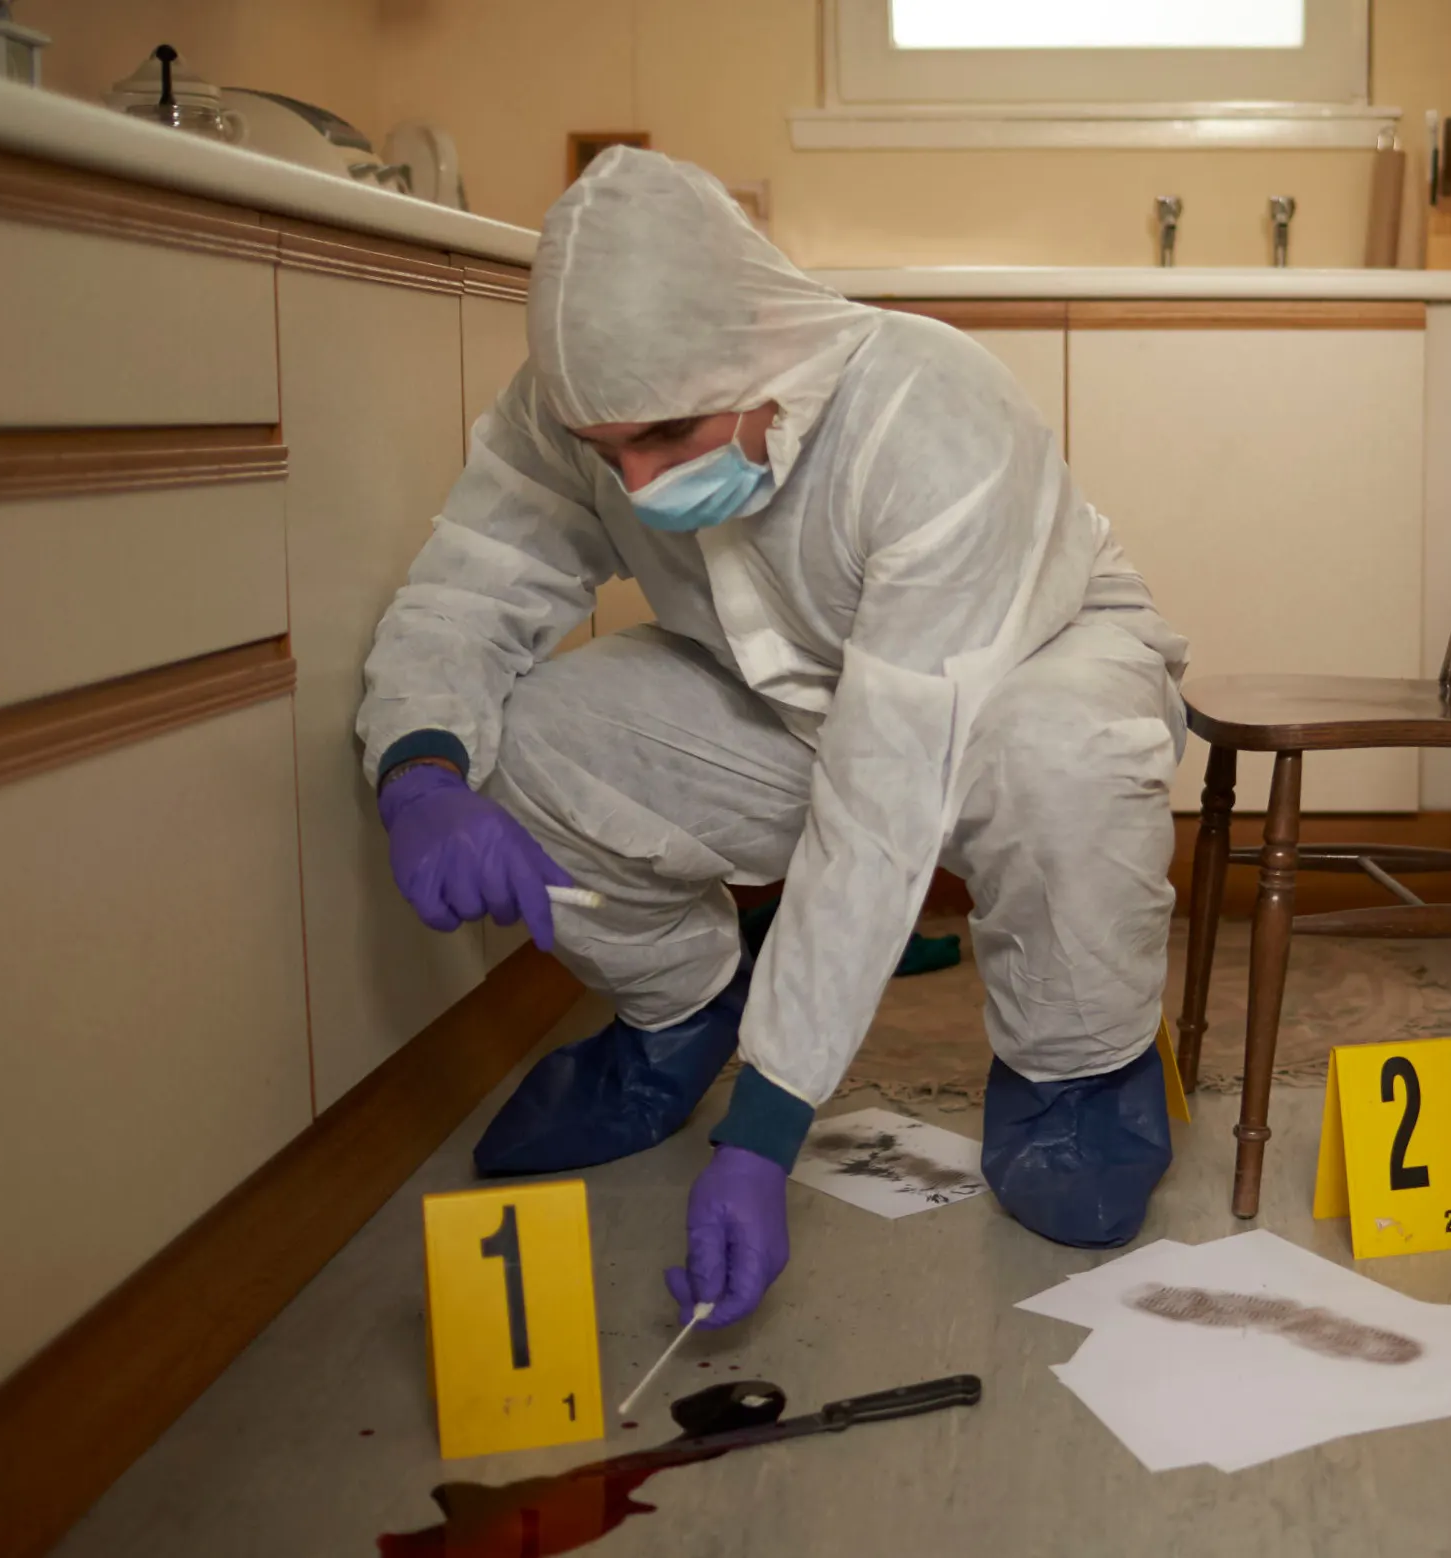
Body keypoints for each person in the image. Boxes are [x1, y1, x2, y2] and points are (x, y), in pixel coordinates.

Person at [357, 148, 1188, 1332]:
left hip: (1032, 667)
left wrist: (768, 1126)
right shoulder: (571, 411)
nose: (638, 482)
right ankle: (679, 1009)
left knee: (1059, 759)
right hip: (794, 693)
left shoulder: (930, 415)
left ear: (765, 345)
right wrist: (422, 770)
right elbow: (472, 589)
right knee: (522, 740)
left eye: (669, 434)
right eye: (607, 453)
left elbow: (883, 792)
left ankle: (1077, 1075)